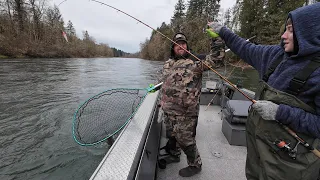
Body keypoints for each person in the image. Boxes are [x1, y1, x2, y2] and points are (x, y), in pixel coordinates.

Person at [207, 3, 320, 180]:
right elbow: (244, 47)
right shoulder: (275, 54)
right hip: (258, 153)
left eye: (290, 30)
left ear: (309, 32)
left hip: (292, 165)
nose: (283, 35)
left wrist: (280, 112)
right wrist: (223, 31)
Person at [158, 32, 225, 177]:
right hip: (168, 111)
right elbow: (165, 83)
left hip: (186, 113)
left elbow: (217, 59)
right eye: (177, 44)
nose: (180, 46)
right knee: (172, 135)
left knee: (186, 140)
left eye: (183, 43)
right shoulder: (168, 64)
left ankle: (195, 164)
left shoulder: (195, 62)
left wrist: (216, 39)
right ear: (173, 47)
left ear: (187, 46)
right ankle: (174, 154)